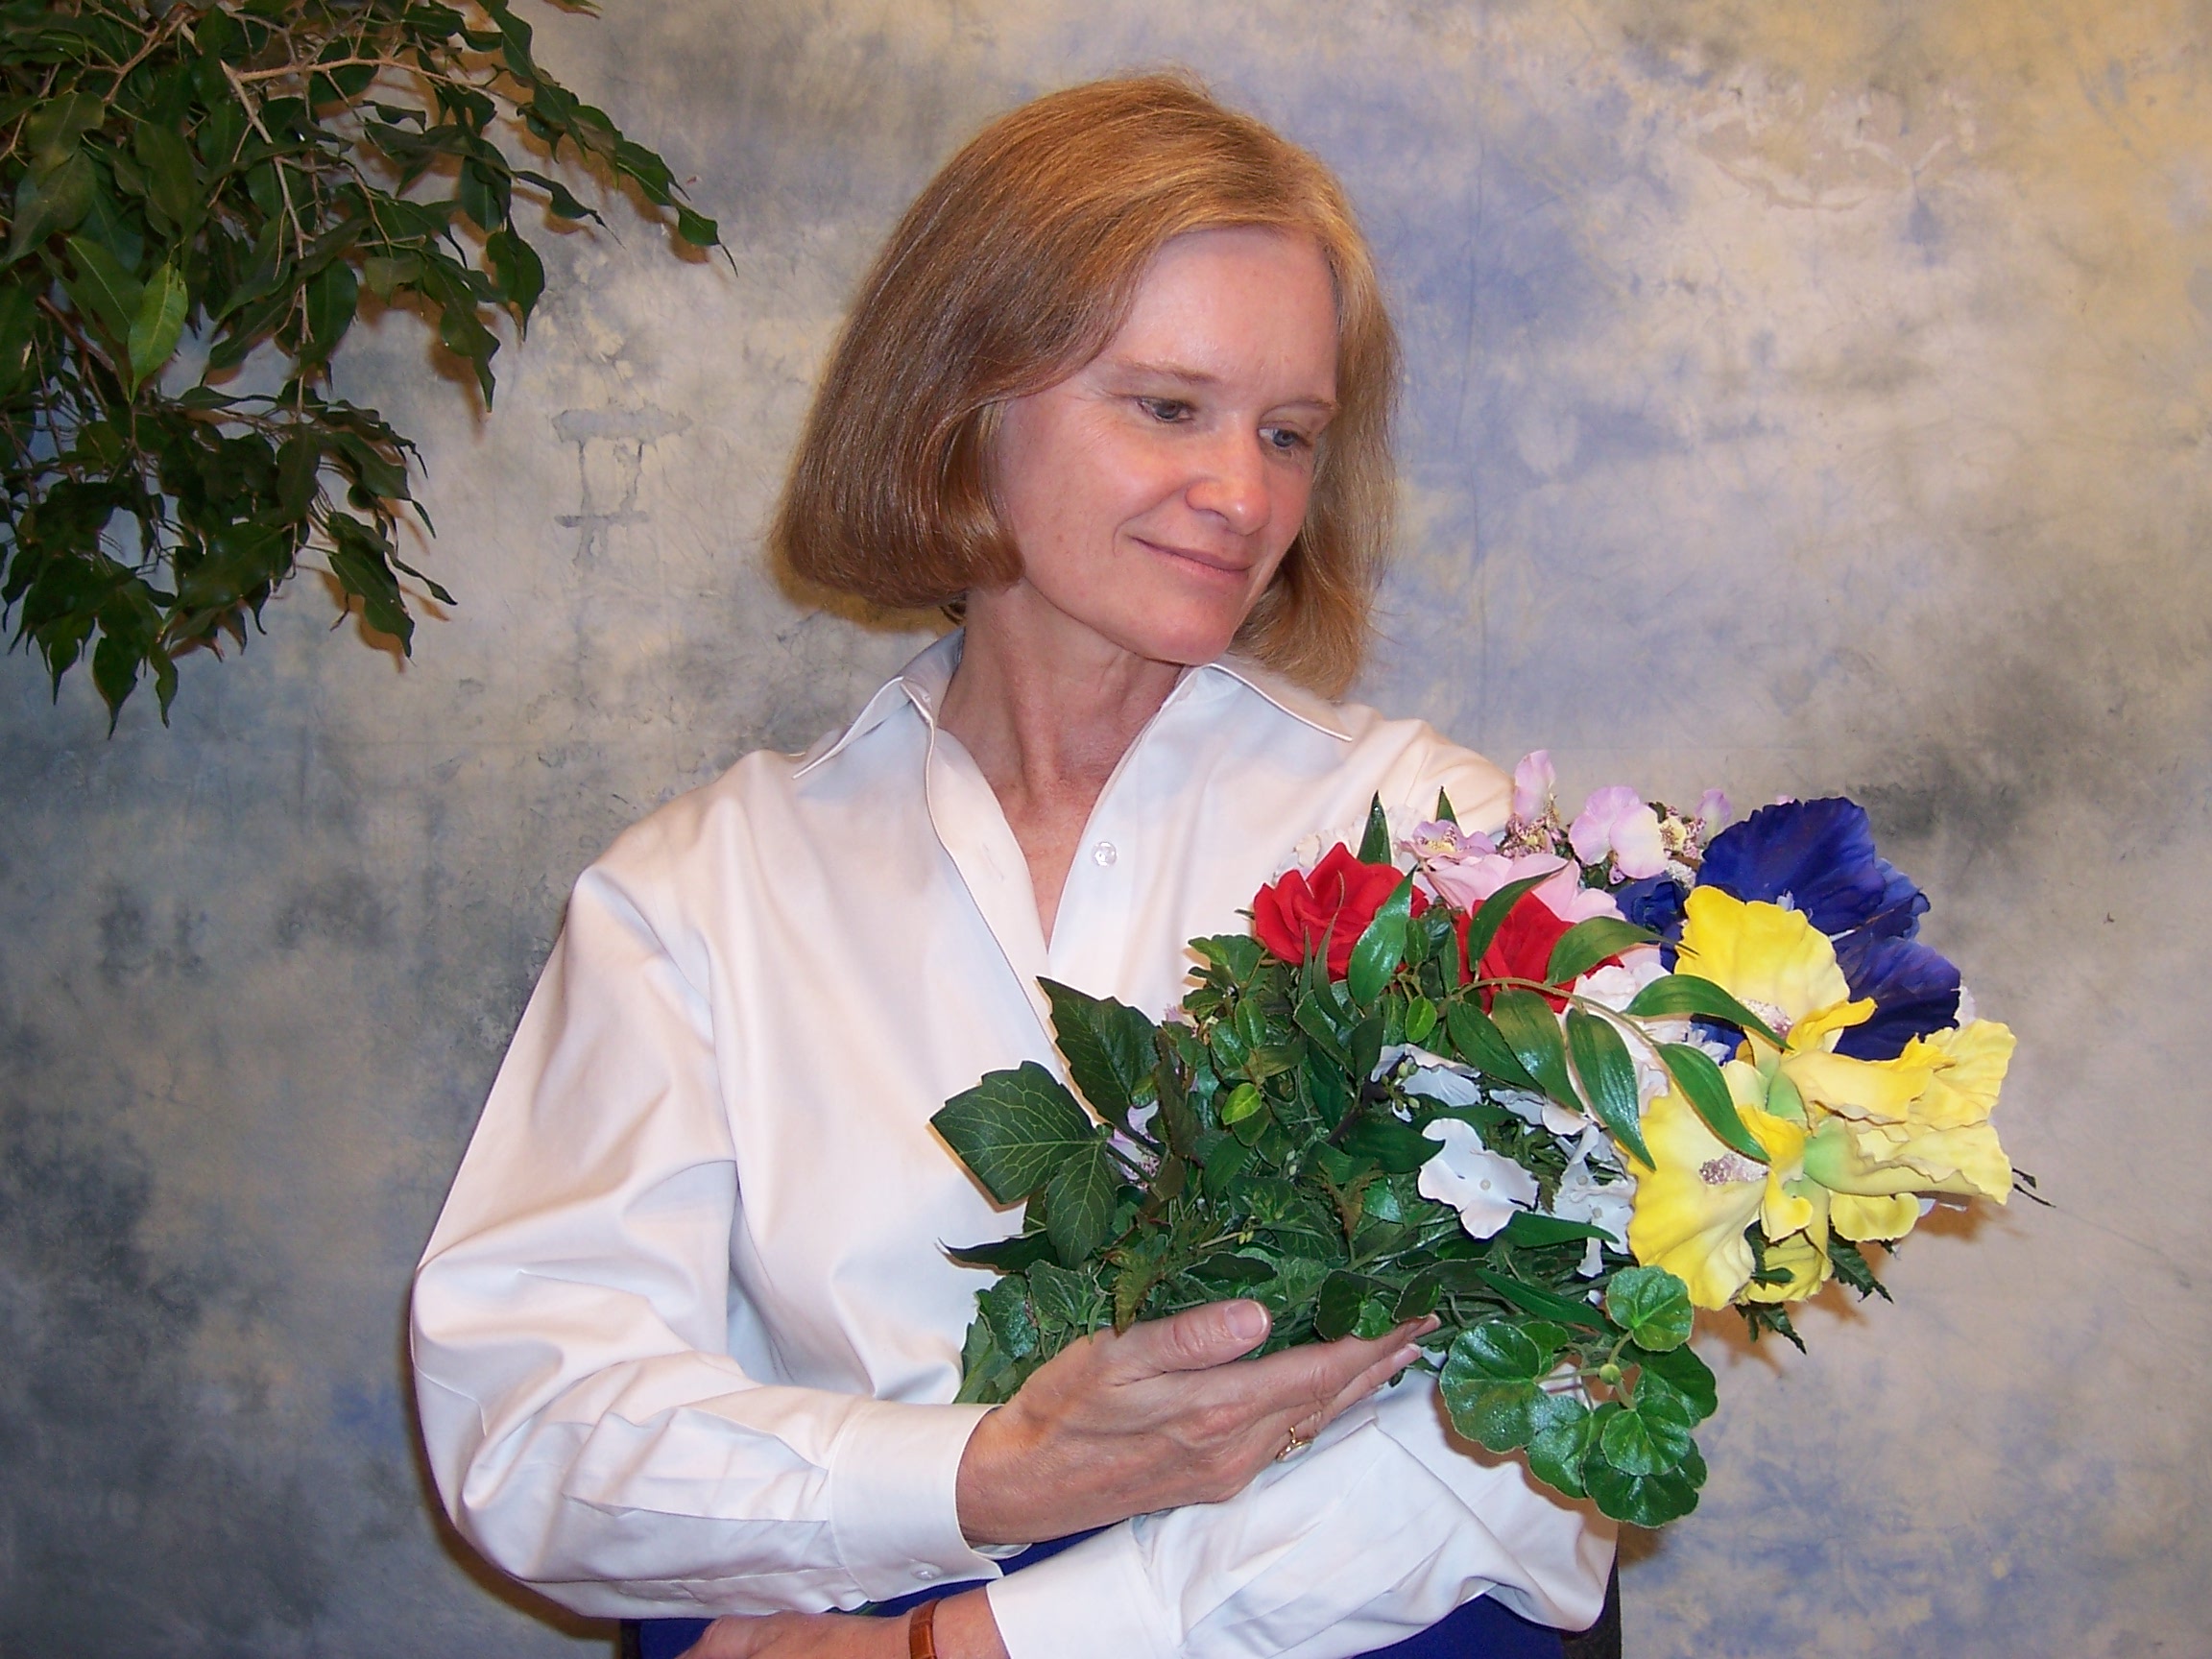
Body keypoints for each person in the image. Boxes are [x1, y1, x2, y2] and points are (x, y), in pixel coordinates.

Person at [411, 75, 1616, 1659]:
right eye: (1168, 407)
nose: (1244, 495)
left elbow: (1534, 1445)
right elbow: (529, 1429)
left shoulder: (1445, 848)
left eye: (1288, 434)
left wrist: (971, 1646)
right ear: (959, 407)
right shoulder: (701, 896)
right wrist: (982, 1478)